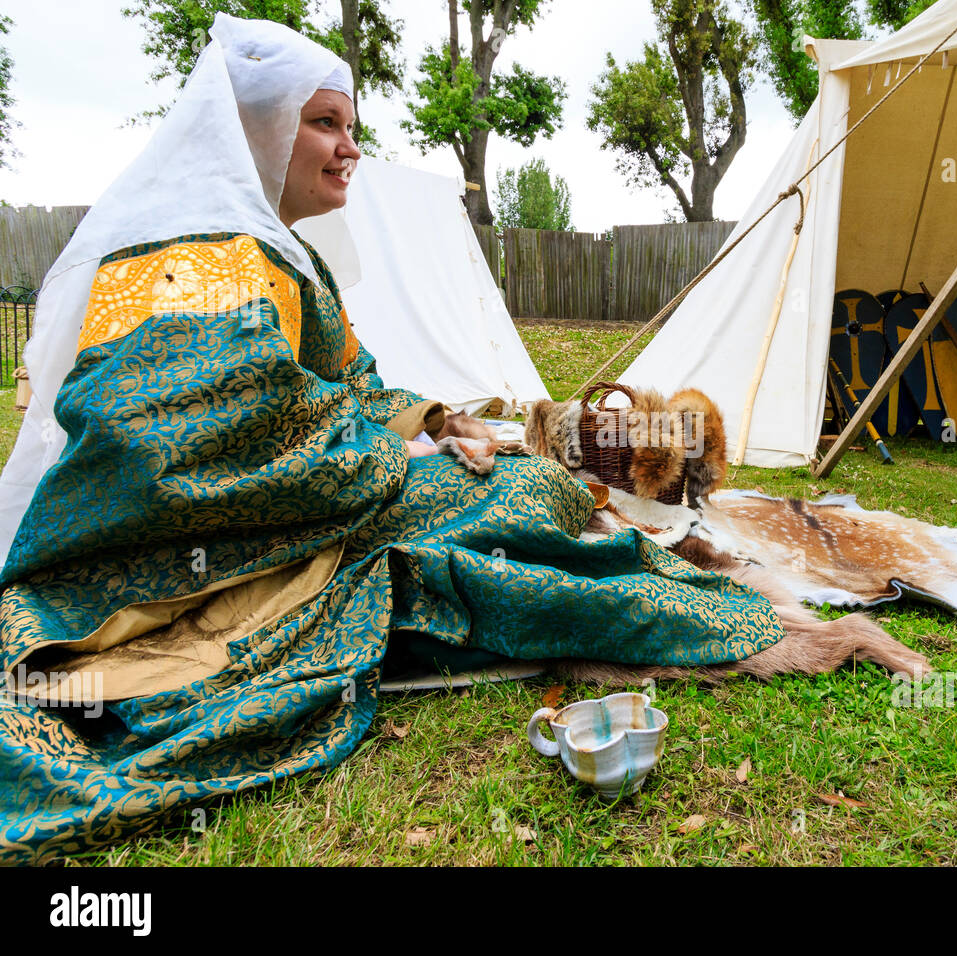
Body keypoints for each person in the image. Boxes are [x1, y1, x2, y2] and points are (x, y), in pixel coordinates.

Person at [0, 15, 783, 864]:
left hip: (316, 492)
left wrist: (441, 421)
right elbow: (180, 441)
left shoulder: (274, 251)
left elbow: (352, 383)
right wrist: (388, 458)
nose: (348, 149)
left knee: (520, 473)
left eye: (352, 129)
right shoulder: (198, 257)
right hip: (203, 553)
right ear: (256, 128)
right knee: (527, 489)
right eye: (325, 123)